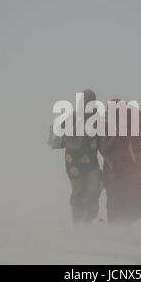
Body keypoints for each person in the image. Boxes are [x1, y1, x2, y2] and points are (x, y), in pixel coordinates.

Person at [48, 89, 103, 224]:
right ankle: (78, 221)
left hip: (91, 162)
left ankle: (89, 216)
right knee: (78, 191)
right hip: (74, 162)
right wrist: (67, 134)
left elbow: (105, 139)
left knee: (94, 189)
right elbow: (55, 134)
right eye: (85, 100)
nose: (87, 103)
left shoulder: (99, 119)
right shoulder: (73, 117)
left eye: (90, 100)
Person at [100, 99, 141, 225]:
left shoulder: (110, 126)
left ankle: (117, 226)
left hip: (115, 169)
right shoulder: (133, 125)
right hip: (129, 169)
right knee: (128, 194)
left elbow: (103, 147)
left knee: (115, 197)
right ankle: (125, 223)